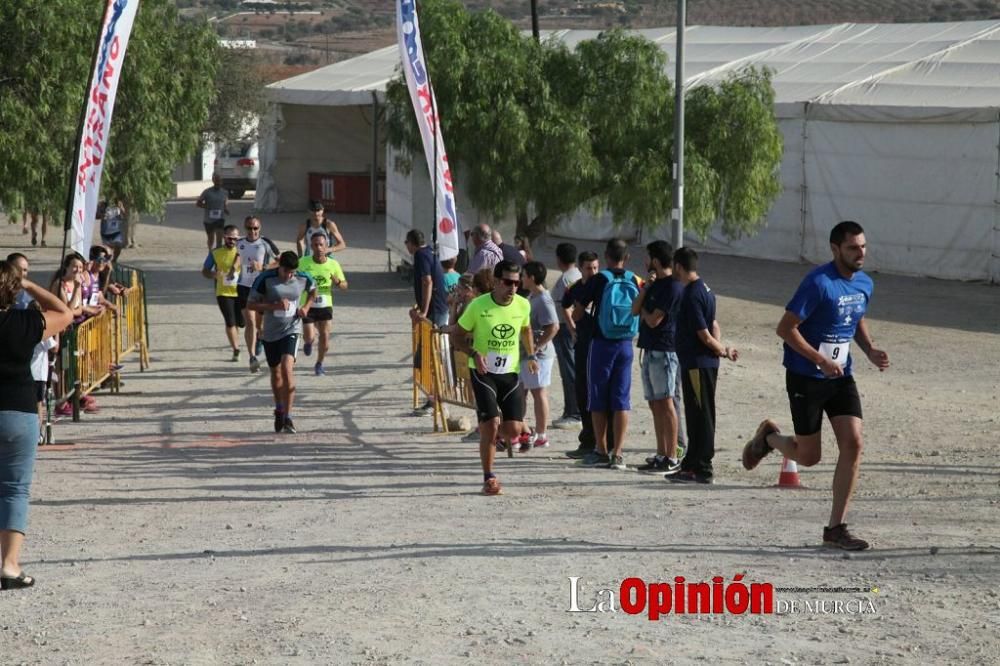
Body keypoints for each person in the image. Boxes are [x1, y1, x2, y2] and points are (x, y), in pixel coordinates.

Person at [742, 221, 889, 551]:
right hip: (805, 377)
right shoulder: (818, 283)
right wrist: (818, 359)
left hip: (840, 377)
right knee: (809, 457)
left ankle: (835, 528)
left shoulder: (864, 283)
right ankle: (768, 437)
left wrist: (869, 350)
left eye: (863, 246)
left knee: (853, 443)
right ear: (836, 249)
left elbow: (856, 315)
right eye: (853, 247)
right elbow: (785, 328)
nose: (860, 253)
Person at [0, 260, 74, 589]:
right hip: (18, 411)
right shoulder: (24, 322)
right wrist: (28, 285)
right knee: (15, 490)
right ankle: (9, 564)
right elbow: (64, 312)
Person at [451, 261, 536, 495]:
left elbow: (526, 329)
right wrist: (474, 353)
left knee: (513, 430)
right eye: (508, 282)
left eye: (517, 283)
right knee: (490, 426)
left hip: (510, 373)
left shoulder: (523, 305)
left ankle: (502, 431)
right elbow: (457, 336)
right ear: (497, 282)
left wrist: (531, 354)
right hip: (482, 372)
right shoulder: (478, 306)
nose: (513, 287)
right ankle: (489, 477)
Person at [671, 247, 738, 485]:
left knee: (701, 415)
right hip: (698, 362)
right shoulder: (706, 290)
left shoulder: (691, 294)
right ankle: (690, 462)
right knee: (695, 412)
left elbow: (704, 333)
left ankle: (703, 467)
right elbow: (714, 325)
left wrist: (721, 350)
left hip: (698, 364)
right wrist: (718, 346)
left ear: (679, 266)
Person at [574, 239, 642, 470]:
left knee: (597, 397)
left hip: (602, 343)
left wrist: (589, 322)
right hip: (625, 343)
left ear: (606, 256)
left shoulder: (600, 279)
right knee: (621, 399)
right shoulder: (635, 279)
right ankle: (619, 453)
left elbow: (578, 311)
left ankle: (600, 450)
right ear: (627, 257)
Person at [248, 251, 316, 434]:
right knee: (276, 373)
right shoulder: (265, 278)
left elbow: (313, 290)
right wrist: (273, 306)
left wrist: (306, 307)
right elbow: (251, 305)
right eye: (286, 272)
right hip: (271, 332)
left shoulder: (302, 277)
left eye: (293, 272)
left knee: (287, 369)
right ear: (280, 267)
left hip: (292, 329)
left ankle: (288, 417)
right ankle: (279, 408)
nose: (290, 276)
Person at [633, 240, 686, 476]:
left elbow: (654, 320)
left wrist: (645, 311)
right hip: (649, 348)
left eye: (647, 257)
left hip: (665, 351)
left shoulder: (673, 287)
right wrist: (645, 290)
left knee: (666, 403)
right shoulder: (654, 284)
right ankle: (661, 453)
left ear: (655, 260)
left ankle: (673, 455)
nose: (645, 262)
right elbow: (635, 310)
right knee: (654, 404)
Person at [562, 251, 613, 459]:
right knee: (582, 390)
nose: (592, 272)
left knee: (600, 392)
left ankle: (605, 442)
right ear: (580, 269)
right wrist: (572, 329)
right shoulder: (576, 288)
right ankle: (587, 439)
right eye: (588, 268)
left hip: (602, 342)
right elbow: (565, 305)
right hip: (583, 344)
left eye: (595, 267)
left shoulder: (604, 285)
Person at [516, 261, 559, 452]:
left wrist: (536, 347)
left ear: (531, 278)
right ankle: (522, 430)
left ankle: (541, 435)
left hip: (538, 356)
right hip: (528, 354)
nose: (521, 279)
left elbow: (554, 326)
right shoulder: (533, 296)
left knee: (538, 392)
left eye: (523, 275)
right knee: (522, 392)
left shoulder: (543, 298)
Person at [299, 233, 348, 376]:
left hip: (325, 305)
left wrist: (338, 282)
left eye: (321, 244)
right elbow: (293, 278)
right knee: (309, 336)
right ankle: (308, 343)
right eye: (315, 245)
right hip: (308, 304)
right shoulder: (303, 262)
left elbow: (345, 286)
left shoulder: (333, 264)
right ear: (311, 246)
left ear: (326, 246)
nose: (319, 248)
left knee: (325, 338)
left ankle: (319, 363)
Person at [236, 215, 279, 374]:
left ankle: (260, 337)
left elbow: (281, 260)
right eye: (249, 228)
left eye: (255, 228)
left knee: (260, 325)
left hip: (261, 287)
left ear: (259, 228)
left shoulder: (266, 243)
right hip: (243, 287)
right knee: (250, 322)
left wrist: (264, 267)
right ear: (244, 228)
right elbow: (231, 258)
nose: (252, 231)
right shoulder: (239, 243)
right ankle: (252, 357)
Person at [550, 243, 582, 430]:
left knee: (569, 371)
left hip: (565, 329)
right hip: (570, 329)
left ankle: (574, 412)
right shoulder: (576, 275)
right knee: (570, 370)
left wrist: (570, 329)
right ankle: (570, 410)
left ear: (559, 259)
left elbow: (566, 308)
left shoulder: (566, 279)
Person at [201, 225, 244, 362]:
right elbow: (205, 271)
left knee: (241, 322)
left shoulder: (243, 251)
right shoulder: (216, 253)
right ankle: (236, 349)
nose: (232, 241)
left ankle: (236, 342)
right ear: (224, 237)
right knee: (230, 322)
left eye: (235, 238)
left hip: (241, 291)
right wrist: (214, 274)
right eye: (229, 238)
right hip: (223, 292)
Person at [196, 173, 229, 252]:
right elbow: (198, 203)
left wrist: (225, 209)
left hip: (220, 218)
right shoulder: (207, 192)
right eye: (216, 180)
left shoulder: (225, 192)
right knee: (211, 239)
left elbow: (225, 202)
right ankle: (210, 251)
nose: (218, 182)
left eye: (219, 181)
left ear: (222, 182)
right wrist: (206, 206)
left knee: (219, 239)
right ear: (213, 181)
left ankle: (218, 254)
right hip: (209, 219)